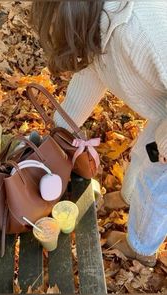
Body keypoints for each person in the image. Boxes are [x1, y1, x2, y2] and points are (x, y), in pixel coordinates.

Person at [30, 1, 167, 267]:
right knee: (143, 154)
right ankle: (129, 198)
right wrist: (61, 131)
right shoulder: (96, 20)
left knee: (157, 184)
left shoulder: (138, 30)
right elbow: (92, 75)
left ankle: (142, 247)